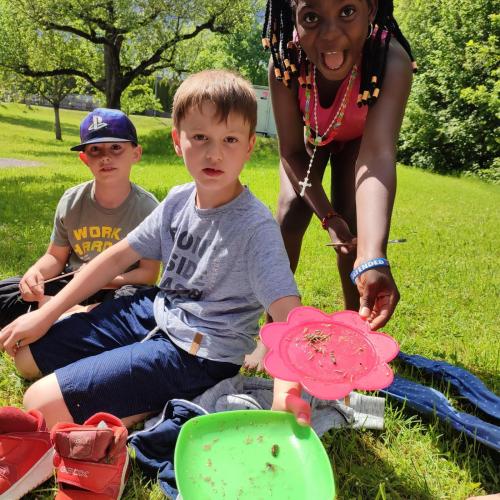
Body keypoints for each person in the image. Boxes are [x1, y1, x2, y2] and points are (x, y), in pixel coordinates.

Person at [0, 70, 311, 431]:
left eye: (229, 139)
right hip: (155, 313)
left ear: (249, 146)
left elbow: (291, 315)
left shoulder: (255, 228)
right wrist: (46, 315)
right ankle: (127, 376)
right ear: (178, 141)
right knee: (25, 358)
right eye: (200, 137)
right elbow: (115, 257)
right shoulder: (178, 200)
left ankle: (159, 397)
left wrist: (287, 390)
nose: (214, 153)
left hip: (200, 353)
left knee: (39, 403)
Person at [262, 0, 415, 331]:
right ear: (293, 19)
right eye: (312, 17)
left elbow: (377, 155)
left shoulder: (391, 60)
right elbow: (290, 152)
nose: (331, 35)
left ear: (371, 10)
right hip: (311, 142)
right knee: (289, 213)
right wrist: (328, 219)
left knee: (355, 231)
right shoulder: (285, 64)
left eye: (347, 11)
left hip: (360, 144)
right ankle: (274, 326)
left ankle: (359, 326)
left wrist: (373, 255)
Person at [0, 108, 161, 328]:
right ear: (84, 158)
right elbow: (56, 257)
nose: (105, 157)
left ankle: (66, 316)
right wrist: (35, 272)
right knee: (7, 292)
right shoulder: (72, 201)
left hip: (116, 289)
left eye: (116, 147)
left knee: (141, 301)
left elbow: (148, 274)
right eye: (95, 149)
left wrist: (101, 277)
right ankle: (72, 316)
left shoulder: (148, 208)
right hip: (73, 285)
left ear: (136, 153)